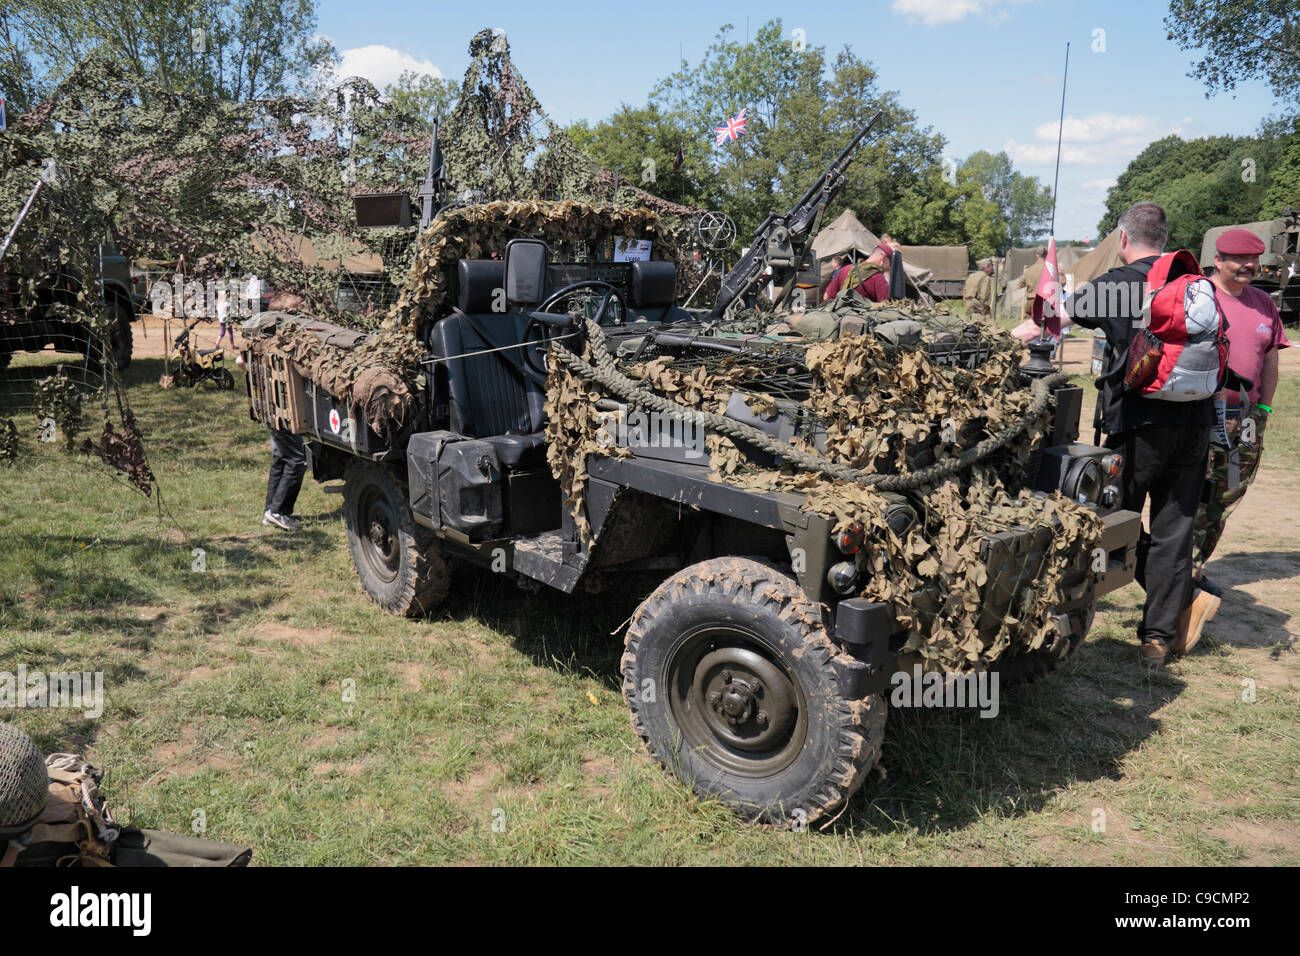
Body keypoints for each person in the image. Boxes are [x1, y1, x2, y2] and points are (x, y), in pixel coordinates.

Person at [1065, 201, 1216, 669]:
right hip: (1196, 422)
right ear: (1166, 239)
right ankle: (1157, 640)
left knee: (1112, 519)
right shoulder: (1194, 283)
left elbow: (1071, 310)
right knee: (1176, 528)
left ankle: (1070, 619)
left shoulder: (1120, 283)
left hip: (1138, 425)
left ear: (1123, 239)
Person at [1191, 228, 1291, 593]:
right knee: (1195, 492)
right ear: (1218, 260)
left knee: (1228, 493)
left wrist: (1264, 406)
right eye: (1239, 259)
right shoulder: (1199, 297)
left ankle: (1195, 565)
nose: (1249, 265)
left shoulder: (1263, 302)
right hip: (1201, 416)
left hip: (1247, 419)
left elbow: (1269, 359)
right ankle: (1179, 571)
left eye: (1253, 259)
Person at [234, 349, 305, 531]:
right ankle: (277, 512)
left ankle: (270, 511)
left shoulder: (261, 340)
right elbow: (239, 361)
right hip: (281, 409)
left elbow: (240, 362)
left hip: (271, 407)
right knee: (296, 460)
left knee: (281, 459)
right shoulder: (276, 344)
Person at [823, 242, 893, 303]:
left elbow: (826, 297)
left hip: (841, 317)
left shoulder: (845, 269)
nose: (889, 267)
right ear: (883, 257)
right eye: (890, 263)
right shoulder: (879, 279)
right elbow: (885, 307)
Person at [1020, 246, 1047, 321]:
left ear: (1037, 255)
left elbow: (1020, 285)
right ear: (1046, 255)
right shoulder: (1049, 269)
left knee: (1030, 322)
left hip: (1031, 300)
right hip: (1044, 301)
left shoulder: (1029, 270)